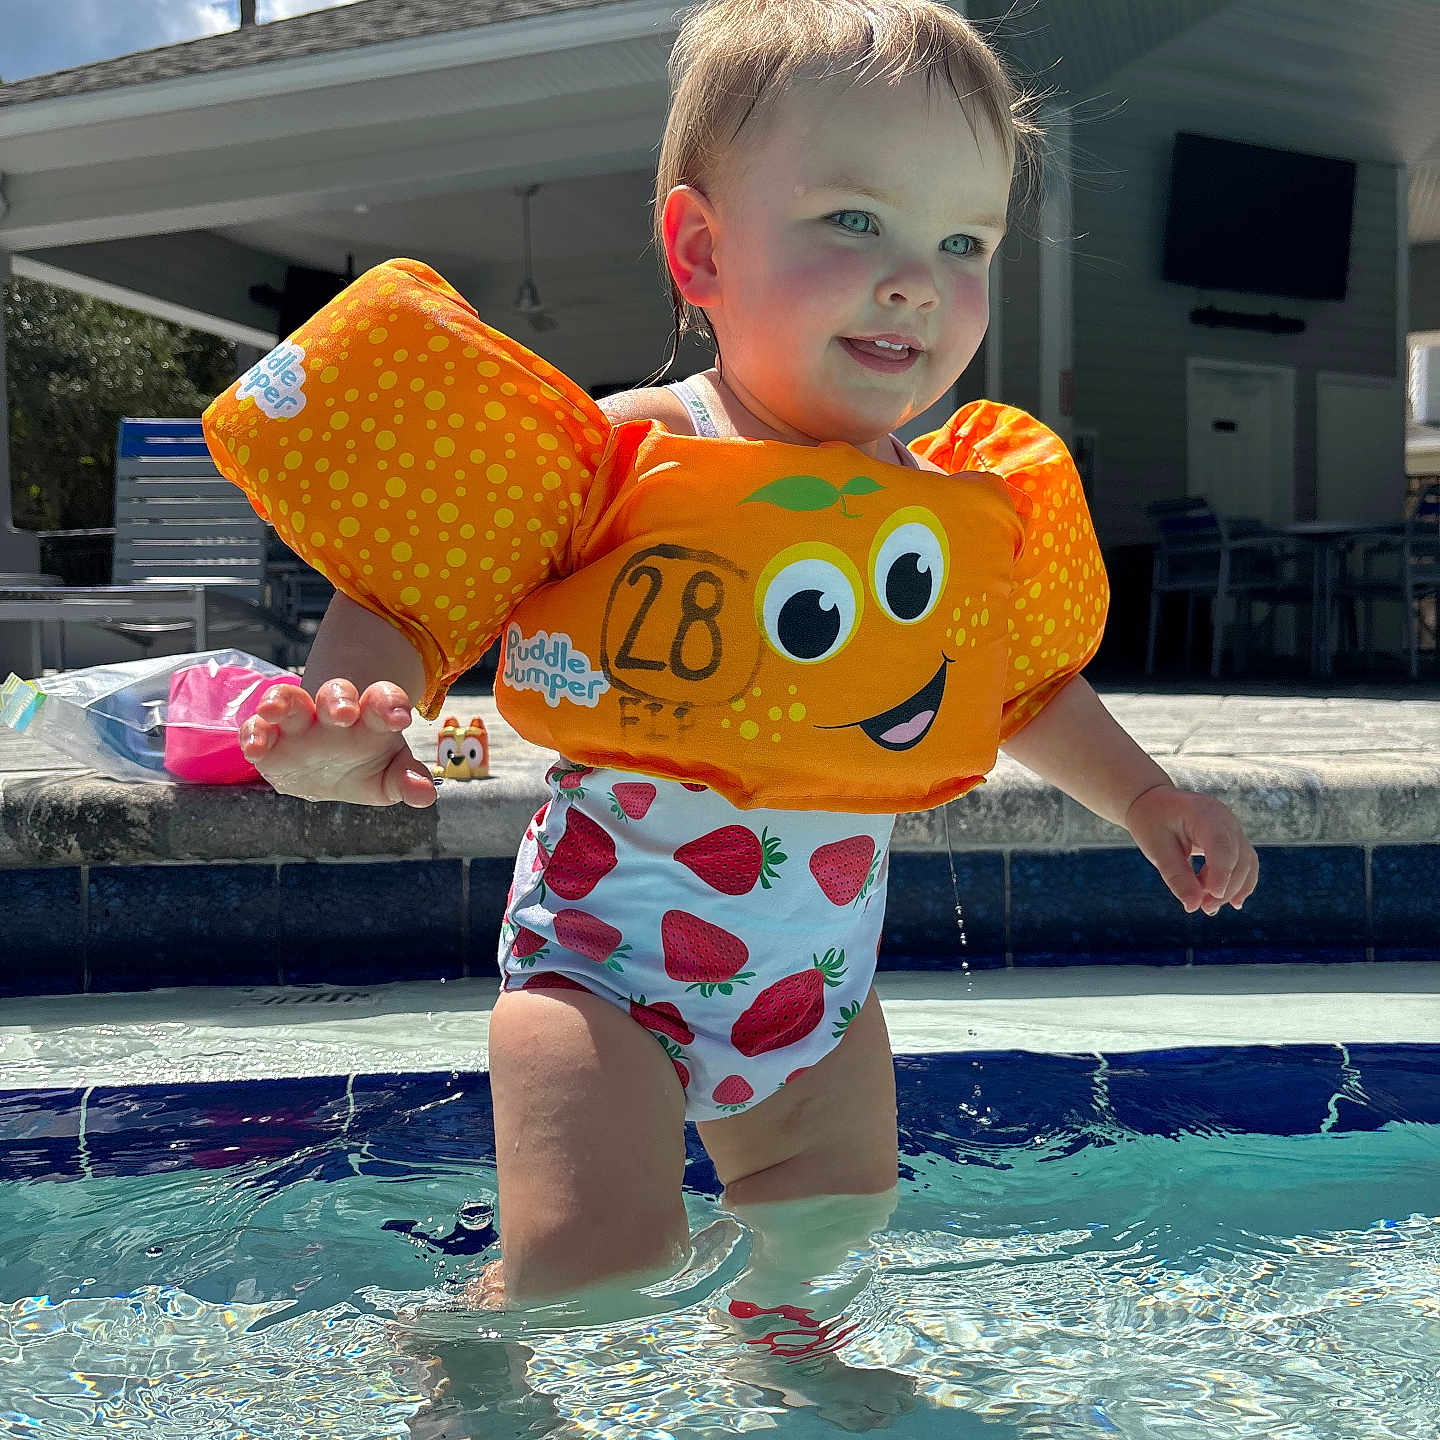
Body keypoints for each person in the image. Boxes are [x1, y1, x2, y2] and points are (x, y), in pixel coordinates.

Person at [221, 0, 1258, 1421]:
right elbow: (419, 584)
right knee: (601, 1261)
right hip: (603, 975)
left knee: (827, 1244)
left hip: (816, 1002)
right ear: (703, 251)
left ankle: (797, 1386)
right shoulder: (636, 452)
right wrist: (363, 716)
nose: (912, 284)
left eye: (963, 246)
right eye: (855, 222)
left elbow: (1022, 686)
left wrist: (1147, 796)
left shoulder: (947, 508)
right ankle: (472, 1359)